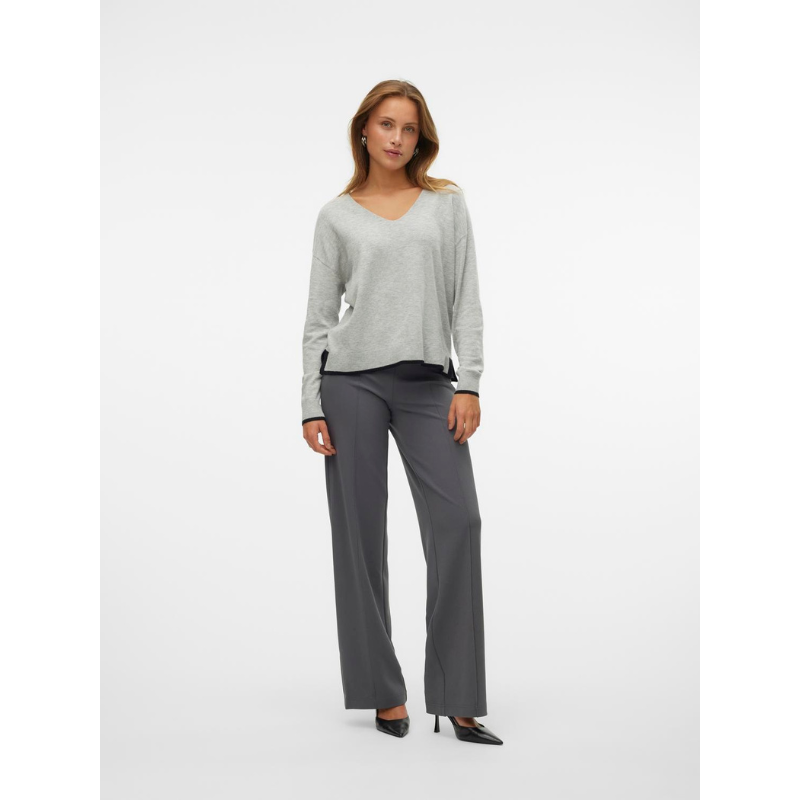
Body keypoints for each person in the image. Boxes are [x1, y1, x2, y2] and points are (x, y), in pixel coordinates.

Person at [300, 79, 503, 745]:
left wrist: (469, 382)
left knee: (459, 523)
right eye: (386, 124)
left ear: (421, 138)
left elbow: (467, 298)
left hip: (427, 386)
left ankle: (459, 696)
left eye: (409, 128)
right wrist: (309, 403)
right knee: (359, 538)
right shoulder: (337, 216)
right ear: (364, 130)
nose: (396, 137)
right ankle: (382, 691)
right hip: (350, 385)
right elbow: (319, 318)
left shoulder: (447, 205)